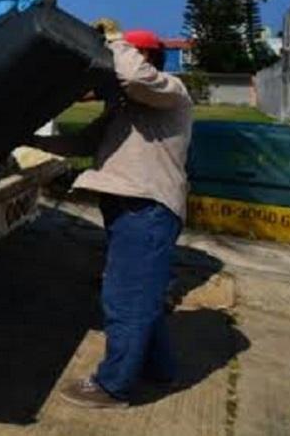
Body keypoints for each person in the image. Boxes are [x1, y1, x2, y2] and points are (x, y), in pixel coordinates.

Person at [29, 29, 194, 408]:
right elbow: (83, 143)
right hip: (129, 209)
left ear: (146, 57)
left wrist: (116, 42)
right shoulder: (125, 107)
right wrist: (30, 142)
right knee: (143, 298)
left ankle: (113, 386)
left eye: (127, 54)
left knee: (125, 299)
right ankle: (161, 371)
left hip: (148, 210)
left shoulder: (172, 90)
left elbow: (134, 76)